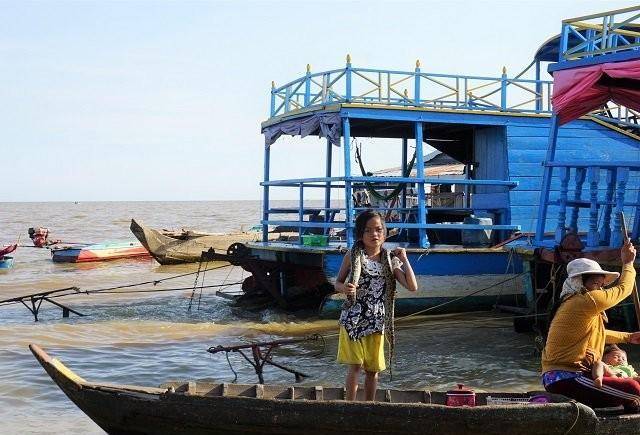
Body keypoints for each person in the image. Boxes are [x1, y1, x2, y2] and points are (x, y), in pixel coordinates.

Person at [542, 241, 640, 412]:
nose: (600, 289)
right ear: (580, 282)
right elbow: (624, 289)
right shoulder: (585, 300)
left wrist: (628, 337)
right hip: (565, 378)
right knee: (634, 389)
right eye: (596, 284)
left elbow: (597, 333)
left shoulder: (577, 303)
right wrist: (628, 263)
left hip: (575, 376)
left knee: (635, 386)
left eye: (601, 285)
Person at [334, 210, 418, 401]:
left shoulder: (389, 260)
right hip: (353, 318)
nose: (374, 234)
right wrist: (344, 288)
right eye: (368, 230)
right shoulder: (353, 255)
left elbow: (412, 287)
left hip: (377, 320)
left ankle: (368, 407)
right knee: (355, 365)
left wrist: (404, 259)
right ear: (360, 235)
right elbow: (337, 283)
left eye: (379, 230)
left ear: (385, 233)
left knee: (372, 369)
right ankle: (350, 407)